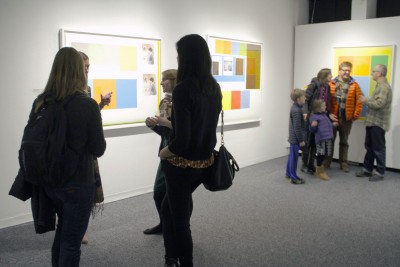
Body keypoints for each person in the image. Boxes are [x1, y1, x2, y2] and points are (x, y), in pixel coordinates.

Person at [35, 47, 106, 266]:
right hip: (78, 181)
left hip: (49, 180)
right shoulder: (86, 104)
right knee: (71, 242)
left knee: (62, 233)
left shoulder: (42, 101)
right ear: (78, 69)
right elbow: (98, 148)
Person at [159, 34, 222, 267]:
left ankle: (183, 262)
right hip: (203, 164)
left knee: (180, 221)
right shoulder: (214, 87)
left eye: (179, 55)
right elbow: (203, 128)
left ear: (187, 57)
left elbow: (182, 139)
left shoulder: (183, 89)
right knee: (168, 210)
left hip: (180, 166)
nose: (177, 60)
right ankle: (170, 257)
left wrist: (164, 152)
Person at [79, 51, 112, 245]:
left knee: (85, 196)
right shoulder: (64, 94)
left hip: (87, 151)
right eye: (85, 66)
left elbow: (88, 119)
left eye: (89, 66)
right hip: (76, 153)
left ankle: (79, 229)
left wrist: (99, 105)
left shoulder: (87, 89)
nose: (87, 70)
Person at [144, 69, 177, 235]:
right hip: (165, 151)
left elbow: (188, 131)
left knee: (177, 195)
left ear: (174, 81)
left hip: (179, 154)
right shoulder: (164, 102)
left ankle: (172, 228)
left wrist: (166, 123)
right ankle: (164, 224)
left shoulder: (184, 102)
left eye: (165, 80)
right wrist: (153, 125)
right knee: (159, 192)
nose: (161, 83)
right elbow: (165, 132)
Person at [356, 64, 392, 181]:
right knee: (370, 147)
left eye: (374, 71)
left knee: (378, 148)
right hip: (372, 122)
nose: (372, 73)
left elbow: (379, 104)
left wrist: (365, 100)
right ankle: (368, 170)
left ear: (380, 73)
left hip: (378, 123)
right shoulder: (379, 86)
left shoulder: (383, 87)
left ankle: (380, 172)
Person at [326, 61, 363, 172]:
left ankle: (343, 163)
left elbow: (359, 101)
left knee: (344, 142)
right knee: (329, 141)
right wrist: (327, 114)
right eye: (344, 70)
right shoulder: (331, 83)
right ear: (339, 70)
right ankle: (327, 162)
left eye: (348, 70)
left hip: (346, 119)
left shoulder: (354, 84)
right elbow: (325, 100)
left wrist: (355, 115)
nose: (347, 72)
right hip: (332, 118)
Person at [301, 68, 335, 174]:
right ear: (324, 76)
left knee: (316, 142)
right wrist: (305, 112)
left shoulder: (327, 87)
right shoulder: (314, 85)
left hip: (321, 117)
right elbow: (305, 100)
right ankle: (304, 164)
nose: (331, 78)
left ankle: (311, 164)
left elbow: (326, 103)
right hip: (311, 117)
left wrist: (329, 114)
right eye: (330, 76)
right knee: (308, 142)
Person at [310, 99, 336, 180]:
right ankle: (319, 171)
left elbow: (326, 126)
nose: (326, 107)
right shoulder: (314, 117)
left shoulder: (324, 115)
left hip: (327, 138)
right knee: (320, 155)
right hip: (321, 140)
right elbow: (312, 130)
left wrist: (333, 124)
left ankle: (320, 169)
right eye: (324, 106)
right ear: (319, 108)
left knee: (324, 154)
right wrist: (313, 126)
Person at [286, 88, 307, 185]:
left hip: (293, 138)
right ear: (298, 99)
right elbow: (297, 127)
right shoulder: (297, 110)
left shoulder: (295, 107)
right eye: (304, 97)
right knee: (294, 158)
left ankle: (288, 173)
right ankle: (293, 177)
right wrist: (301, 140)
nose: (305, 98)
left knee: (291, 156)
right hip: (295, 139)